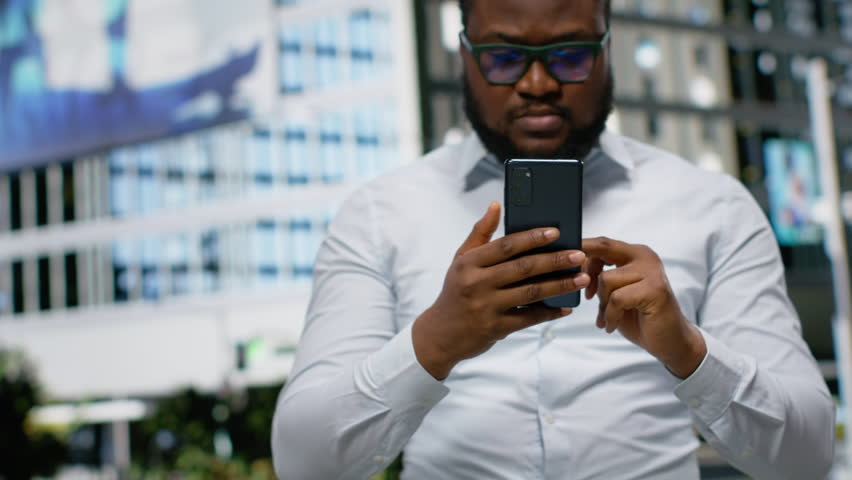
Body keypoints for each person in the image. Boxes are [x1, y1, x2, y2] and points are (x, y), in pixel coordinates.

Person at [271, 0, 836, 478]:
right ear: (464, 54)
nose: (537, 84)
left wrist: (689, 352)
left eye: (570, 55)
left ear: (607, 47)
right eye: (502, 58)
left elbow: (808, 459)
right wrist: (436, 341)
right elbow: (302, 461)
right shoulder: (379, 214)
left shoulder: (714, 206)